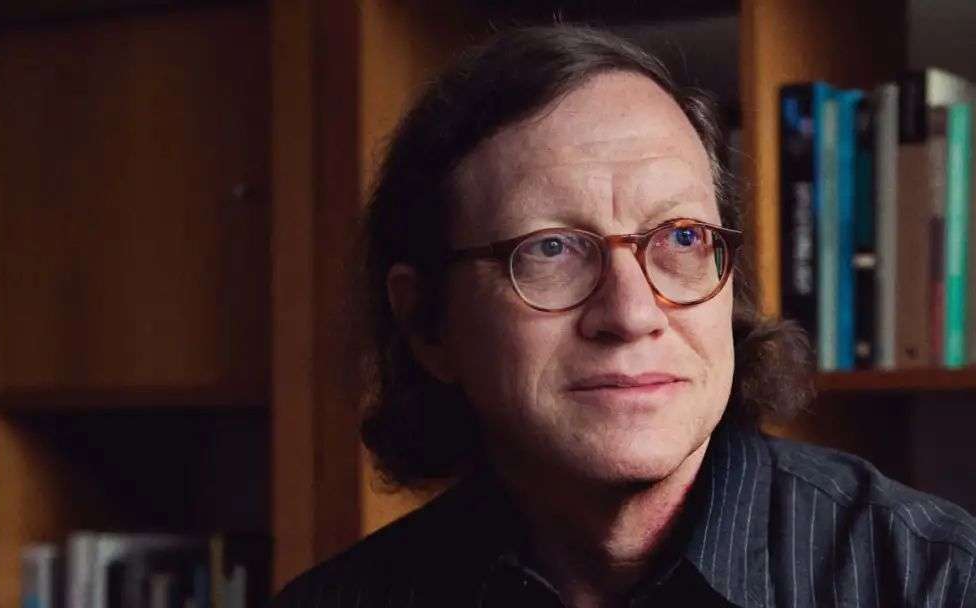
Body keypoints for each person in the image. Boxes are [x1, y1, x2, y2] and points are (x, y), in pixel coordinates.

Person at [270, 25, 976, 607]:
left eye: (682, 238)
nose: (633, 313)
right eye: (551, 249)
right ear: (428, 324)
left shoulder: (937, 581)